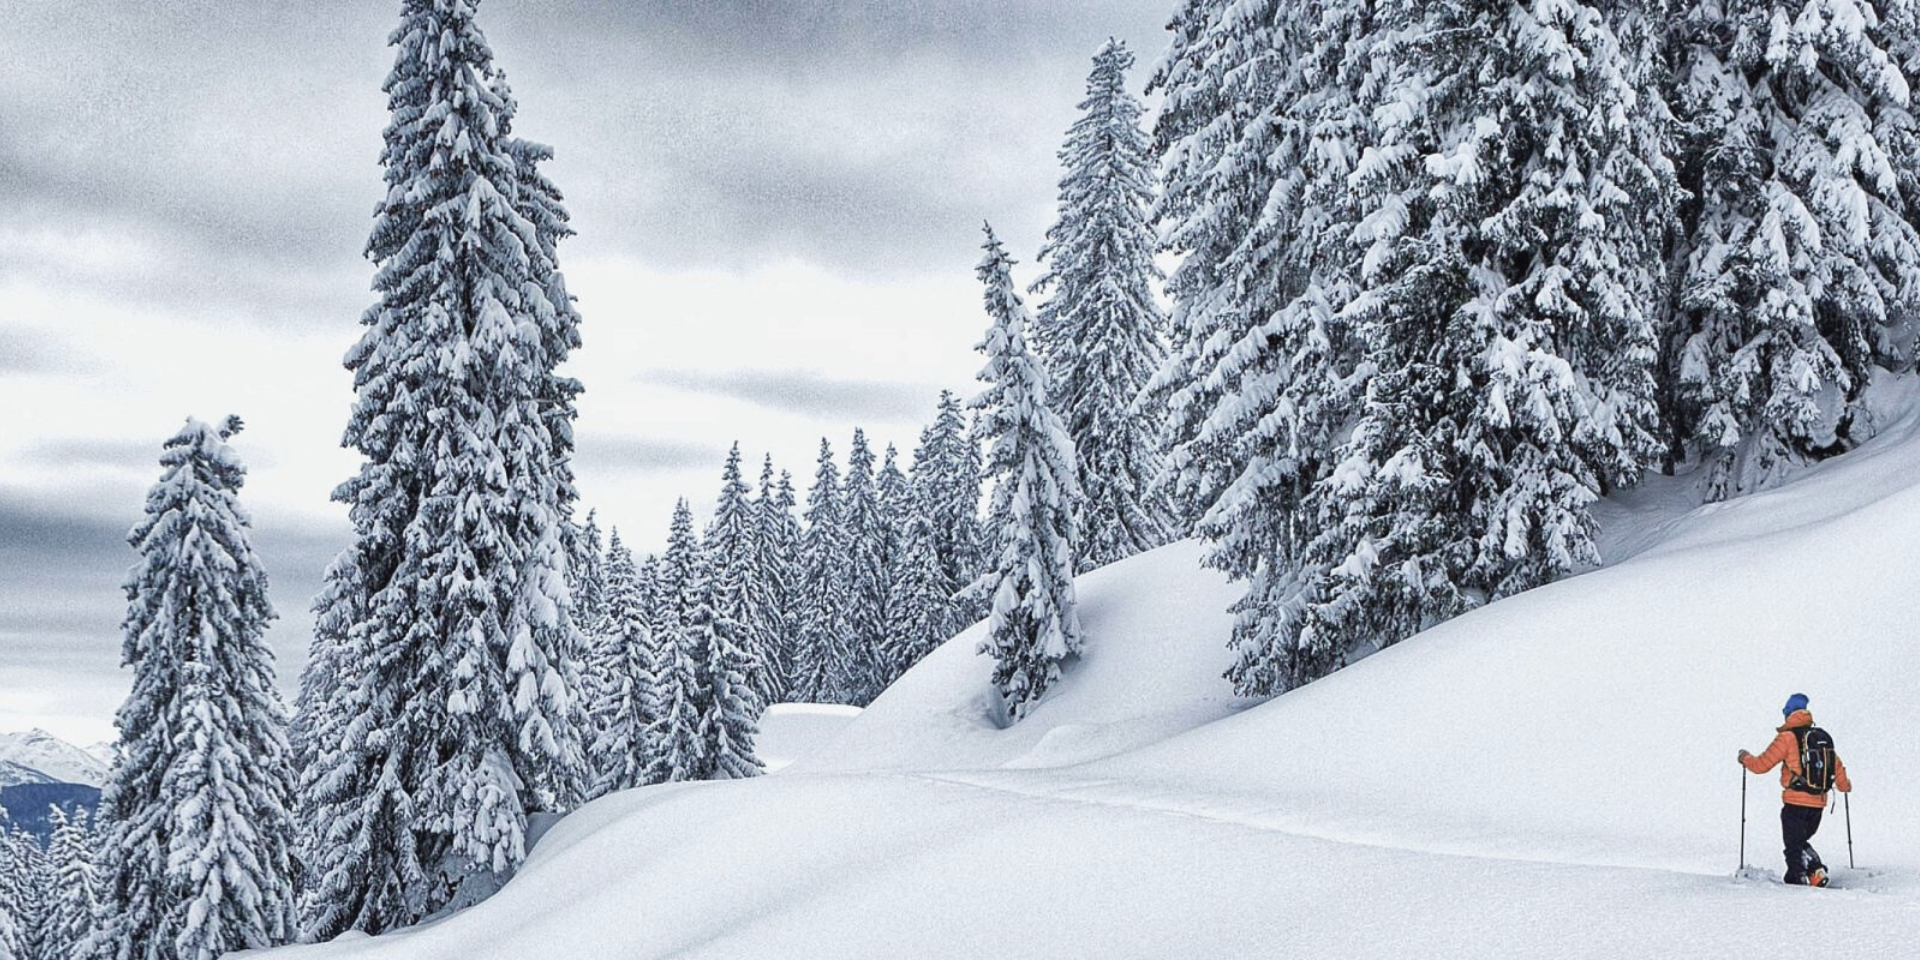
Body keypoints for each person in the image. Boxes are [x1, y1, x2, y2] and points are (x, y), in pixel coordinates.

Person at [1738, 692, 1852, 886]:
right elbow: (1837, 766)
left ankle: (1796, 883)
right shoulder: (1820, 738)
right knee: (1798, 842)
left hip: (1795, 803)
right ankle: (1815, 872)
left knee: (1793, 846)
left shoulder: (1787, 738)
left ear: (1788, 713)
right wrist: (1845, 786)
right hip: (1818, 805)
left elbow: (1761, 765)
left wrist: (1744, 758)